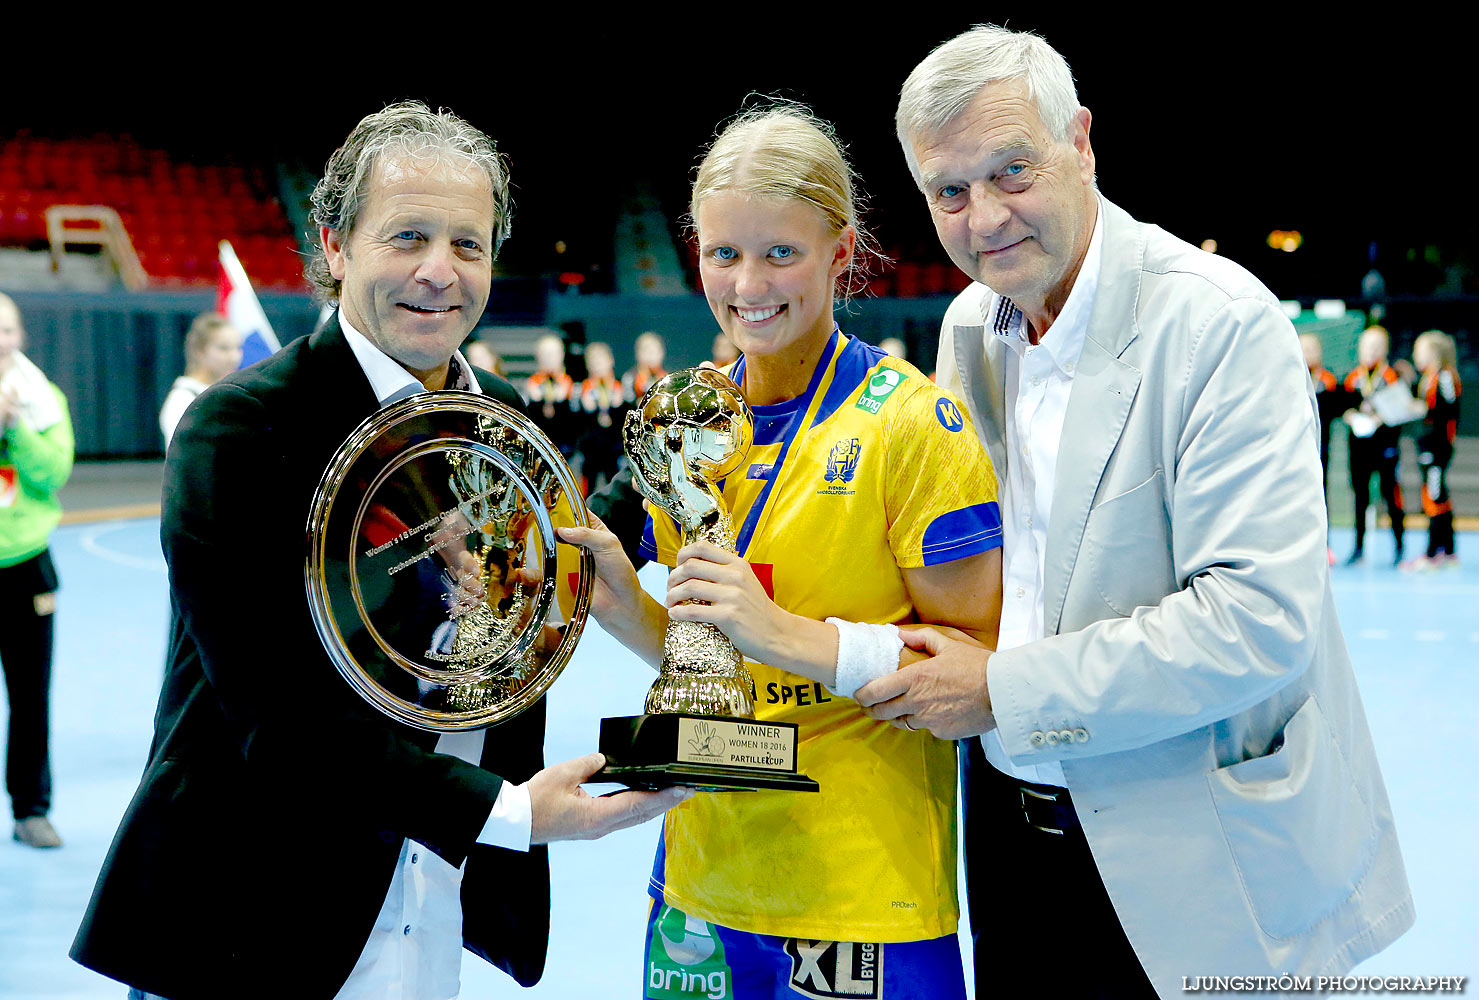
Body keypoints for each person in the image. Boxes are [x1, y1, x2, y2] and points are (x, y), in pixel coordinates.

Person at [70, 101, 687, 1000]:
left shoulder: (503, 420)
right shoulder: (241, 430)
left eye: (467, 245)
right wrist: (511, 812)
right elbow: (275, 719)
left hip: (427, 892)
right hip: (246, 918)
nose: (439, 272)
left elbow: (521, 599)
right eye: (406, 237)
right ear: (333, 246)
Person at [856, 26, 1413, 998]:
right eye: (949, 191)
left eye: (1011, 170)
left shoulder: (1219, 323)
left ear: (1081, 143)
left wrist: (1005, 693)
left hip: (1191, 845)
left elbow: (1257, 621)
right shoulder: (966, 330)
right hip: (1009, 836)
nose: (984, 217)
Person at [563, 103, 1004, 1000]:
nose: (746, 283)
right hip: (698, 881)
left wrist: (780, 632)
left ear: (840, 253)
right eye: (723, 254)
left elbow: (975, 685)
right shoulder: (685, 417)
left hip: (858, 896)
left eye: (779, 253)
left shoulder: (912, 425)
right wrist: (619, 606)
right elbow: (710, 664)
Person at [0, 291, 74, 850]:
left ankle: (31, 810)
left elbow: (52, 474)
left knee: (30, 697)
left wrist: (13, 427)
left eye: (7, 329)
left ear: (20, 336)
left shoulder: (43, 399)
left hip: (26, 568)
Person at [1341, 325, 1408, 564]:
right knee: (1360, 497)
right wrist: (1350, 416)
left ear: (1386, 349)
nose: (1371, 351)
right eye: (1367, 346)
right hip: (1359, 448)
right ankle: (1358, 548)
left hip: (1385, 447)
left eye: (1377, 346)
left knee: (1391, 496)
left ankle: (1400, 546)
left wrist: (1381, 418)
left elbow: (1402, 410)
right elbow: (1343, 407)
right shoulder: (1352, 377)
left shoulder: (1392, 377)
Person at [1403, 330, 1462, 569]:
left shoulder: (1444, 376)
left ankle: (1431, 555)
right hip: (1429, 444)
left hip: (1437, 446)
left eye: (1419, 350)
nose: (1415, 355)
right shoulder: (1428, 377)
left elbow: (1448, 408)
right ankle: (1448, 551)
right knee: (1438, 495)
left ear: (1433, 353)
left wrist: (1423, 410)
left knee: (1433, 497)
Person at [158, 312, 244, 449]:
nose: (233, 357)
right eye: (223, 348)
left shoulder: (232, 392)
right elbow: (183, 459)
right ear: (200, 351)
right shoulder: (182, 399)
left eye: (238, 347)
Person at [1300, 331, 1346, 562]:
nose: (1307, 354)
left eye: (1311, 349)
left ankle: (1323, 546)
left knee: (1320, 495)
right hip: (1294, 449)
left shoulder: (1328, 380)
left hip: (1320, 449)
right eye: (1303, 348)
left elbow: (1340, 409)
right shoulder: (1290, 377)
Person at [572, 340, 626, 494]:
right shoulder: (582, 389)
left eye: (601, 360)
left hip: (614, 448)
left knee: (615, 484)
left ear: (611, 361)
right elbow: (575, 422)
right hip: (591, 449)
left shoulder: (620, 387)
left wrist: (618, 405)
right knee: (587, 487)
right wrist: (586, 408)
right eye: (593, 362)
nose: (598, 365)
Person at [525, 332, 577, 453]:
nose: (549, 358)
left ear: (562, 355)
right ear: (537, 356)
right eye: (545, 354)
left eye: (553, 353)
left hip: (567, 447)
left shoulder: (572, 384)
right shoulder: (532, 384)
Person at [623, 330, 667, 401]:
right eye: (646, 351)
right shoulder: (629, 378)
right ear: (637, 354)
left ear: (662, 353)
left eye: (654, 351)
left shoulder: (666, 378)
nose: (650, 355)